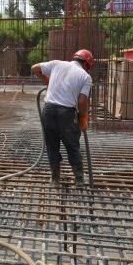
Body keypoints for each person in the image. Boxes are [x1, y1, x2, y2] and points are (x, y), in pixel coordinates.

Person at [31, 49, 94, 187]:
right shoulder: (85, 77)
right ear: (87, 64)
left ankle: (55, 179)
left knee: (52, 145)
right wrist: (83, 119)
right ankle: (79, 179)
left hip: (48, 111)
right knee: (72, 145)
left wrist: (47, 81)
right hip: (67, 113)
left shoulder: (56, 64)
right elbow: (82, 101)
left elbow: (34, 68)